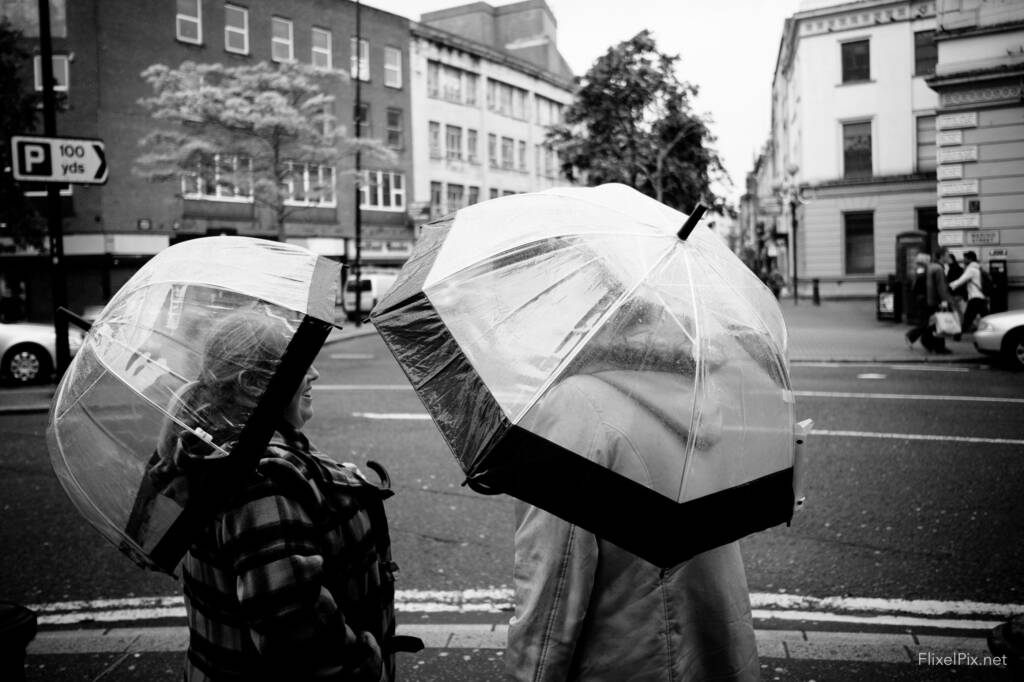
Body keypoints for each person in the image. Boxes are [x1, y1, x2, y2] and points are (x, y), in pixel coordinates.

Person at [506, 303, 760, 682]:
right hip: (710, 659)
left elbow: (554, 587)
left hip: (627, 661)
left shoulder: (581, 406)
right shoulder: (694, 393)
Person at [160, 309, 415, 681]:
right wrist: (363, 661)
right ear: (252, 384)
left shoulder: (223, 452)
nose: (314, 374)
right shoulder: (261, 480)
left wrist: (331, 487)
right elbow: (291, 623)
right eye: (300, 364)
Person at [905, 251, 957, 354]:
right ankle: (922, 340)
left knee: (930, 323)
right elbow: (938, 288)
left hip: (924, 300)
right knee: (932, 323)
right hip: (928, 300)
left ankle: (925, 341)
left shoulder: (922, 270)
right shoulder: (929, 269)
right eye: (947, 256)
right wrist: (947, 301)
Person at [948, 250, 989, 335]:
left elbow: (961, 280)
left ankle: (958, 335)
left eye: (965, 258)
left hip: (975, 298)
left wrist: (950, 286)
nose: (963, 260)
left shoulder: (971, 270)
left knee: (968, 319)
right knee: (986, 318)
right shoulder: (978, 268)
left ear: (970, 259)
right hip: (981, 297)